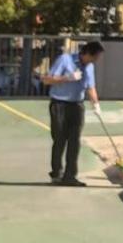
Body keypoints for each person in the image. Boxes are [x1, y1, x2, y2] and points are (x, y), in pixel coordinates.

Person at [40, 41, 105, 187]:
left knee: (75, 141)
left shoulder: (90, 66)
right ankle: (57, 173)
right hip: (60, 104)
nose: (96, 61)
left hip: (77, 105)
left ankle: (70, 176)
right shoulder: (65, 60)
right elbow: (47, 80)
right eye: (95, 57)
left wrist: (96, 104)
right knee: (60, 139)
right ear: (87, 53)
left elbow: (90, 87)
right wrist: (67, 78)